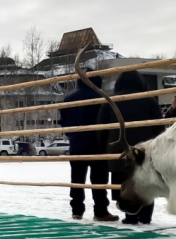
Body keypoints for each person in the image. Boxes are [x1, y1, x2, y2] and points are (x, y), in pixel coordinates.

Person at [97, 71, 167, 224]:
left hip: (119, 153)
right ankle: (146, 216)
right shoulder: (150, 101)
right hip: (145, 154)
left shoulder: (110, 102)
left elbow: (101, 130)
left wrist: (105, 150)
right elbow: (159, 129)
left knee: (124, 184)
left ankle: (130, 216)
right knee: (146, 183)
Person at [59, 75, 118, 222]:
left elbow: (64, 122)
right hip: (97, 145)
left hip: (76, 144)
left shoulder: (68, 99)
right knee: (99, 181)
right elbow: (109, 121)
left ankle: (77, 211)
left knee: (77, 180)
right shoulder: (102, 98)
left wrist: (72, 135)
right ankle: (100, 211)